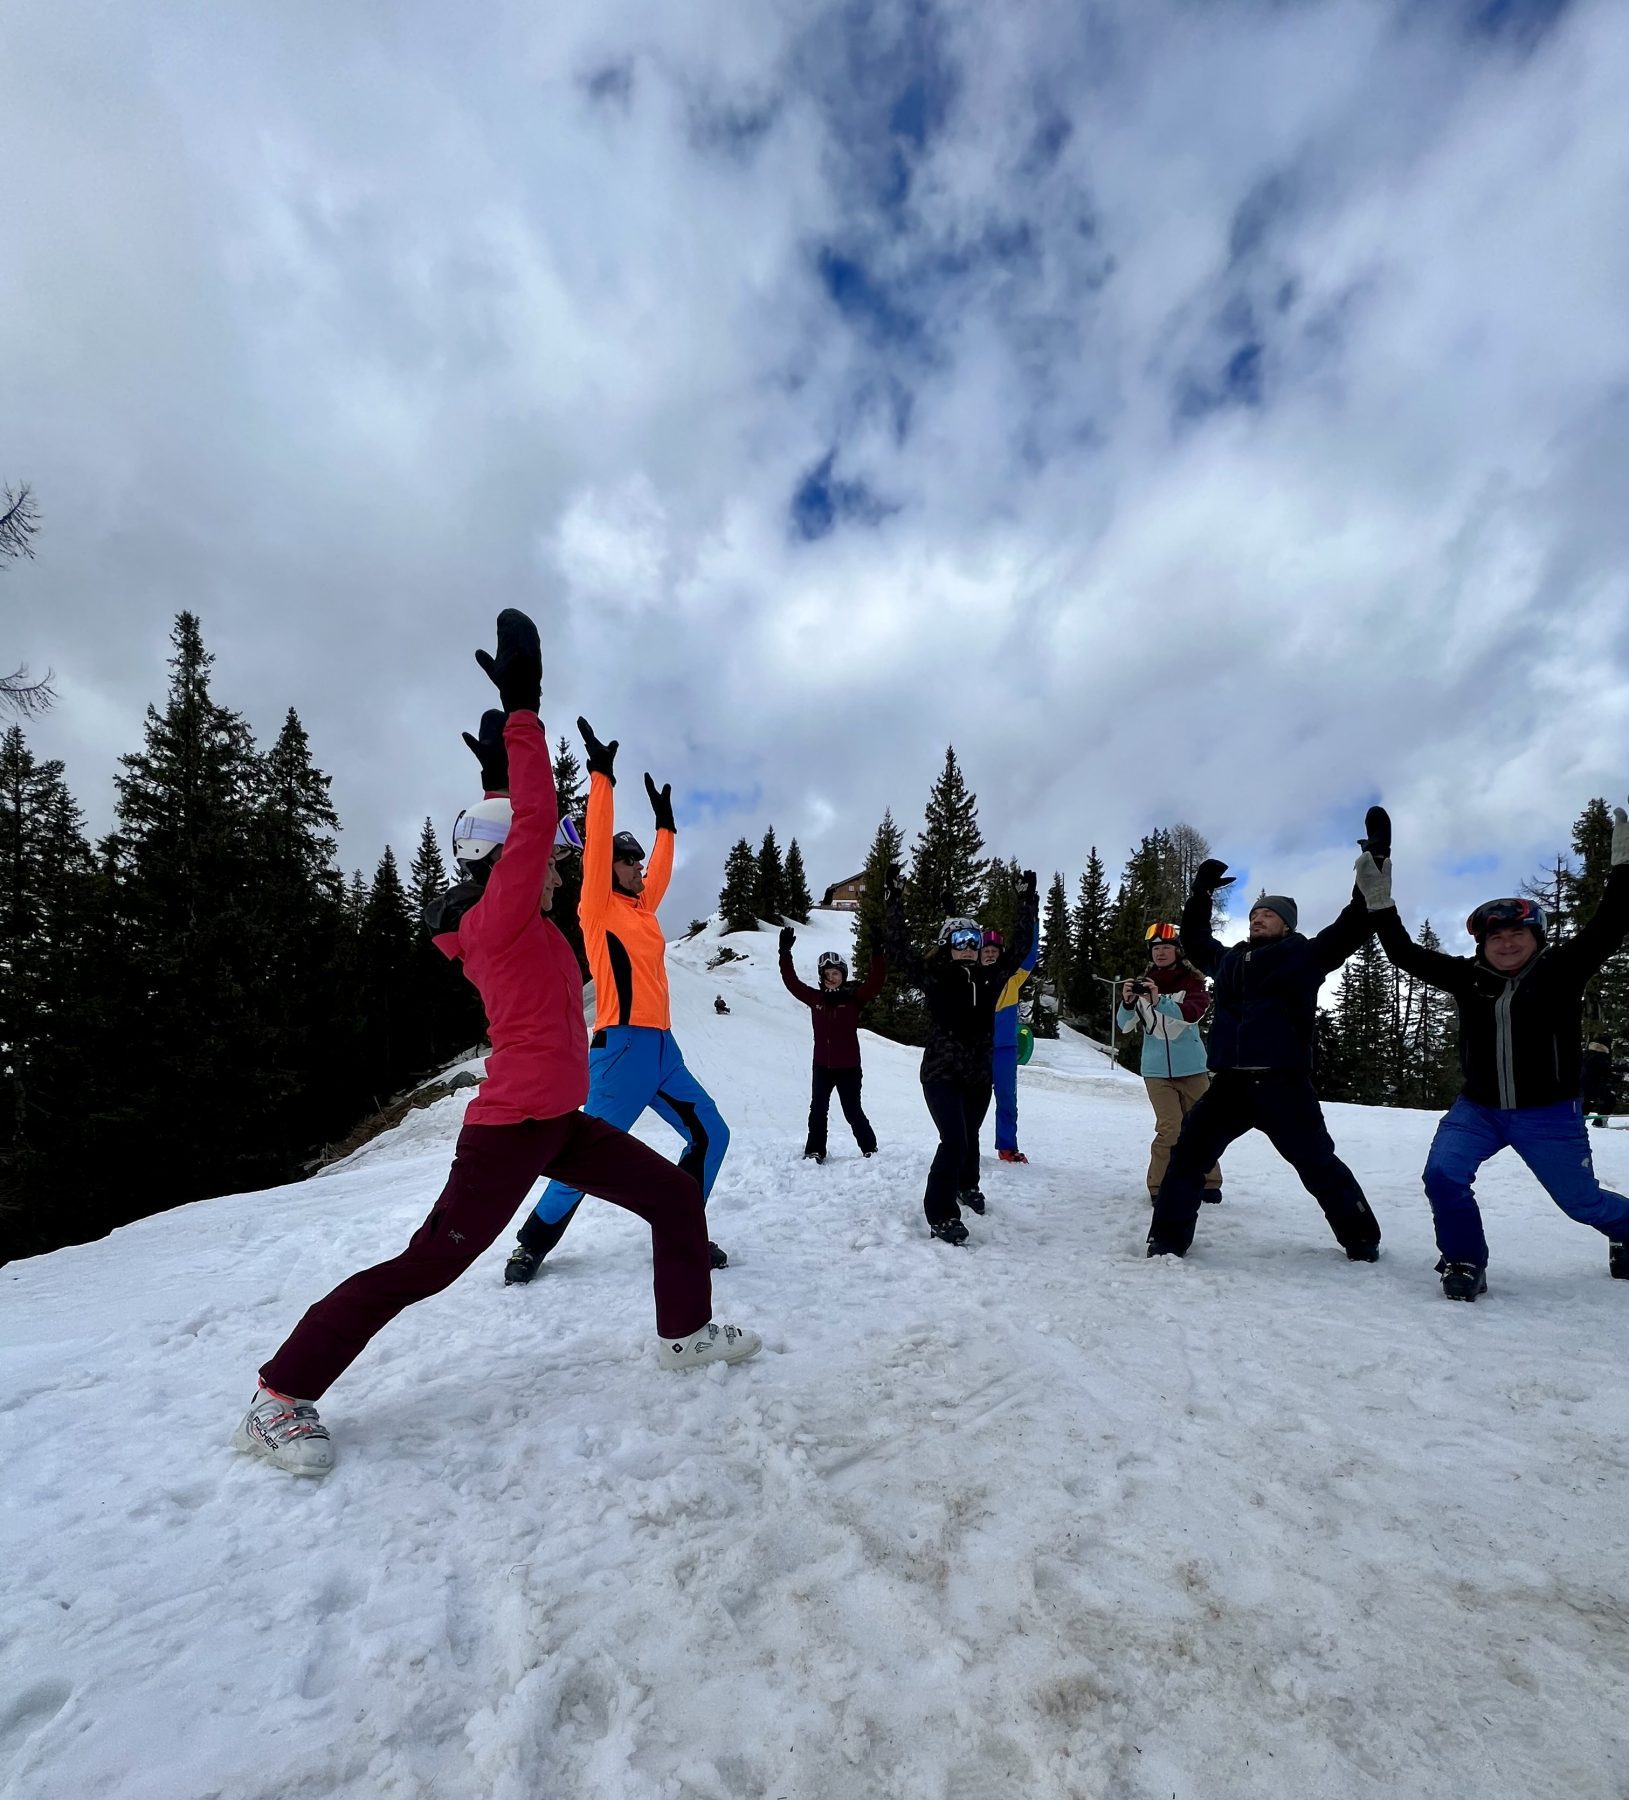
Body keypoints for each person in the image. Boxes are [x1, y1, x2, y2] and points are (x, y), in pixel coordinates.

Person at [232, 612, 760, 1477]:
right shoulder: (504, 919)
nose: (558, 867)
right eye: (545, 856)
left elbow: (519, 835)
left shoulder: (524, 920)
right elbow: (531, 830)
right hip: (509, 1132)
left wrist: (491, 784)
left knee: (671, 1196)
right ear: (504, 864)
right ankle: (278, 1395)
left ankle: (683, 1334)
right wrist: (522, 708)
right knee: (423, 1267)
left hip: (560, 1122)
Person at [1357, 800, 1629, 1299]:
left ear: (1536, 937)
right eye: (1495, 935)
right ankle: (1463, 1259)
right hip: (1478, 1108)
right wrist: (1379, 900)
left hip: (1548, 1113)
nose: (1506, 943)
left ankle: (1625, 1229)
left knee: (1582, 1203)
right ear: (1482, 944)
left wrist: (1624, 867)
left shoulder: (1562, 970)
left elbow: (1613, 920)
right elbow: (1401, 953)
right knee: (1442, 1174)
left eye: (1516, 933)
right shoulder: (1468, 978)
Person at [505, 717, 731, 1284]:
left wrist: (666, 826)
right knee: (583, 1162)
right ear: (609, 868)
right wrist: (601, 777)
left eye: (637, 861)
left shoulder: (642, 911)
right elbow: (599, 848)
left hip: (663, 1052)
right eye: (627, 861)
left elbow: (661, 876)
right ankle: (531, 1243)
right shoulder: (597, 909)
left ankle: (682, 1228)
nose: (637, 868)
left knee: (712, 1135)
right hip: (621, 1051)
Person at [1147, 839, 1384, 1263]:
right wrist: (1199, 895)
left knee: (1317, 1164)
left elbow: (1352, 926)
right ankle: (1166, 1239)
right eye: (1255, 914)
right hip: (1231, 1084)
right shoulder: (1230, 961)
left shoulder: (1305, 955)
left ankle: (1362, 1237)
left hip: (1283, 1084)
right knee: (1188, 1154)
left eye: (1269, 914)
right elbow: (1198, 941)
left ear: (1287, 925)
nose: (1259, 918)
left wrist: (1376, 865)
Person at [886, 868, 1038, 1245]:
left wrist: (1026, 903)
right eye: (960, 939)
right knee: (953, 1140)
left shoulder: (991, 977)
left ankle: (966, 1185)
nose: (969, 946)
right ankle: (941, 1215)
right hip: (941, 1072)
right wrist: (893, 899)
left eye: (974, 939)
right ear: (947, 944)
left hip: (976, 1075)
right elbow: (898, 946)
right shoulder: (933, 975)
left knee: (969, 1137)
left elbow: (1020, 947)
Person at [1116, 922, 1223, 1203]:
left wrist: (1159, 1001)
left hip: (1193, 1069)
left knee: (1201, 1127)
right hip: (1155, 1071)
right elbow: (1124, 1026)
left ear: (1178, 951)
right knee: (1170, 1128)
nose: (1160, 953)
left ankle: (1210, 1182)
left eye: (1166, 947)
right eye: (1156, 948)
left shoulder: (1194, 983)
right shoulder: (1143, 984)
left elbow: (1192, 1014)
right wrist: (1128, 1003)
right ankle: (1159, 1186)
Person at [778, 927, 885, 1161]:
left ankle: (870, 1148)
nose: (832, 977)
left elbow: (875, 983)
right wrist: (784, 953)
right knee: (818, 1110)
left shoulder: (854, 999)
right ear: (821, 976)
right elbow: (792, 982)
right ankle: (815, 1150)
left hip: (849, 1068)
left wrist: (877, 953)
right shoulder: (815, 998)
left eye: (836, 973)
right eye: (827, 973)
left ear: (843, 975)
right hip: (822, 1067)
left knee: (852, 1111)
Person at [986, 924, 1039, 1163]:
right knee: (968, 1102)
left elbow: (1030, 953)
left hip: (1005, 1049)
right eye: (985, 950)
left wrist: (1032, 919)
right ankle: (962, 1145)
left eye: (994, 951)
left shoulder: (1013, 979)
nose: (989, 954)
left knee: (1007, 1100)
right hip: (977, 1050)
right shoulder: (970, 981)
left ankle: (1007, 1148)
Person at [1581, 1037, 1624, 1126]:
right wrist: (1617, 1076)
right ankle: (1599, 1122)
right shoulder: (1599, 1056)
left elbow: (1601, 1071)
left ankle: (1579, 1122)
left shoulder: (1588, 1054)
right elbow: (1606, 1070)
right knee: (1610, 1100)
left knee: (1587, 1104)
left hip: (1584, 1086)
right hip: (1593, 1086)